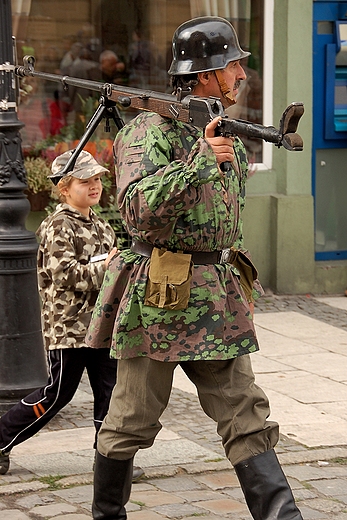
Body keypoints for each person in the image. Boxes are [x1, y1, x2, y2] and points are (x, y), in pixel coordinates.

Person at [86, 17, 303, 520]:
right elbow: (136, 210)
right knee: (130, 419)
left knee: (245, 414)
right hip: (160, 298)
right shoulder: (146, 132)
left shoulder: (218, 129)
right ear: (205, 74)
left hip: (215, 296)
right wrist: (200, 161)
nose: (243, 74)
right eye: (234, 65)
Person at [0, 150, 143, 482]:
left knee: (111, 393)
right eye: (85, 181)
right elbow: (64, 274)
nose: (94, 186)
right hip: (69, 328)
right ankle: (2, 438)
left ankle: (109, 463)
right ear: (64, 187)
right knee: (56, 394)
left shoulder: (102, 225)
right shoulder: (56, 226)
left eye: (97, 180)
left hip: (102, 326)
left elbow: (110, 273)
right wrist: (105, 268)